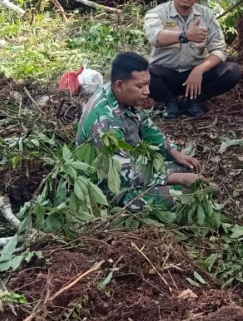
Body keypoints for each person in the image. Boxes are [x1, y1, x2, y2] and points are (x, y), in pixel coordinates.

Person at [76, 52, 206, 209]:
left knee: (187, 168)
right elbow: (124, 174)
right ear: (119, 85)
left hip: (130, 161)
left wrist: (174, 152)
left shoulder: (120, 94)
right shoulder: (105, 123)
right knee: (183, 194)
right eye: (140, 86)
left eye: (147, 84)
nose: (147, 91)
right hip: (110, 182)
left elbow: (146, 125)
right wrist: (179, 178)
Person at [144, 0, 241, 120]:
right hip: (165, 73)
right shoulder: (156, 13)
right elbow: (154, 37)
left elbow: (219, 49)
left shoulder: (207, 15)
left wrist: (200, 69)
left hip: (194, 76)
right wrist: (185, 36)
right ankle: (170, 102)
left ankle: (195, 100)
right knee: (142, 70)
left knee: (232, 71)